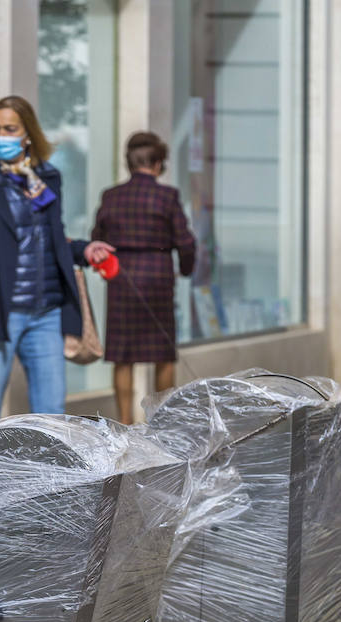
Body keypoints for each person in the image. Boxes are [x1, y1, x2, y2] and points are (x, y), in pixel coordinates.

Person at [0, 95, 116, 442]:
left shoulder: (47, 179)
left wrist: (85, 250)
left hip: (46, 310)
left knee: (51, 415)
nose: (1, 135)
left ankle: (46, 490)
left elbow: (51, 239)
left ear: (27, 135)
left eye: (10, 129)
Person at [91, 131, 196, 421]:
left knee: (122, 355)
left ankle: (125, 420)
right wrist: (185, 269)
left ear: (129, 163)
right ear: (159, 163)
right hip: (158, 277)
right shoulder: (168, 196)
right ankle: (161, 420)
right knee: (163, 352)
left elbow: (96, 238)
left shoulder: (110, 196)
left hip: (122, 280)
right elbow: (186, 242)